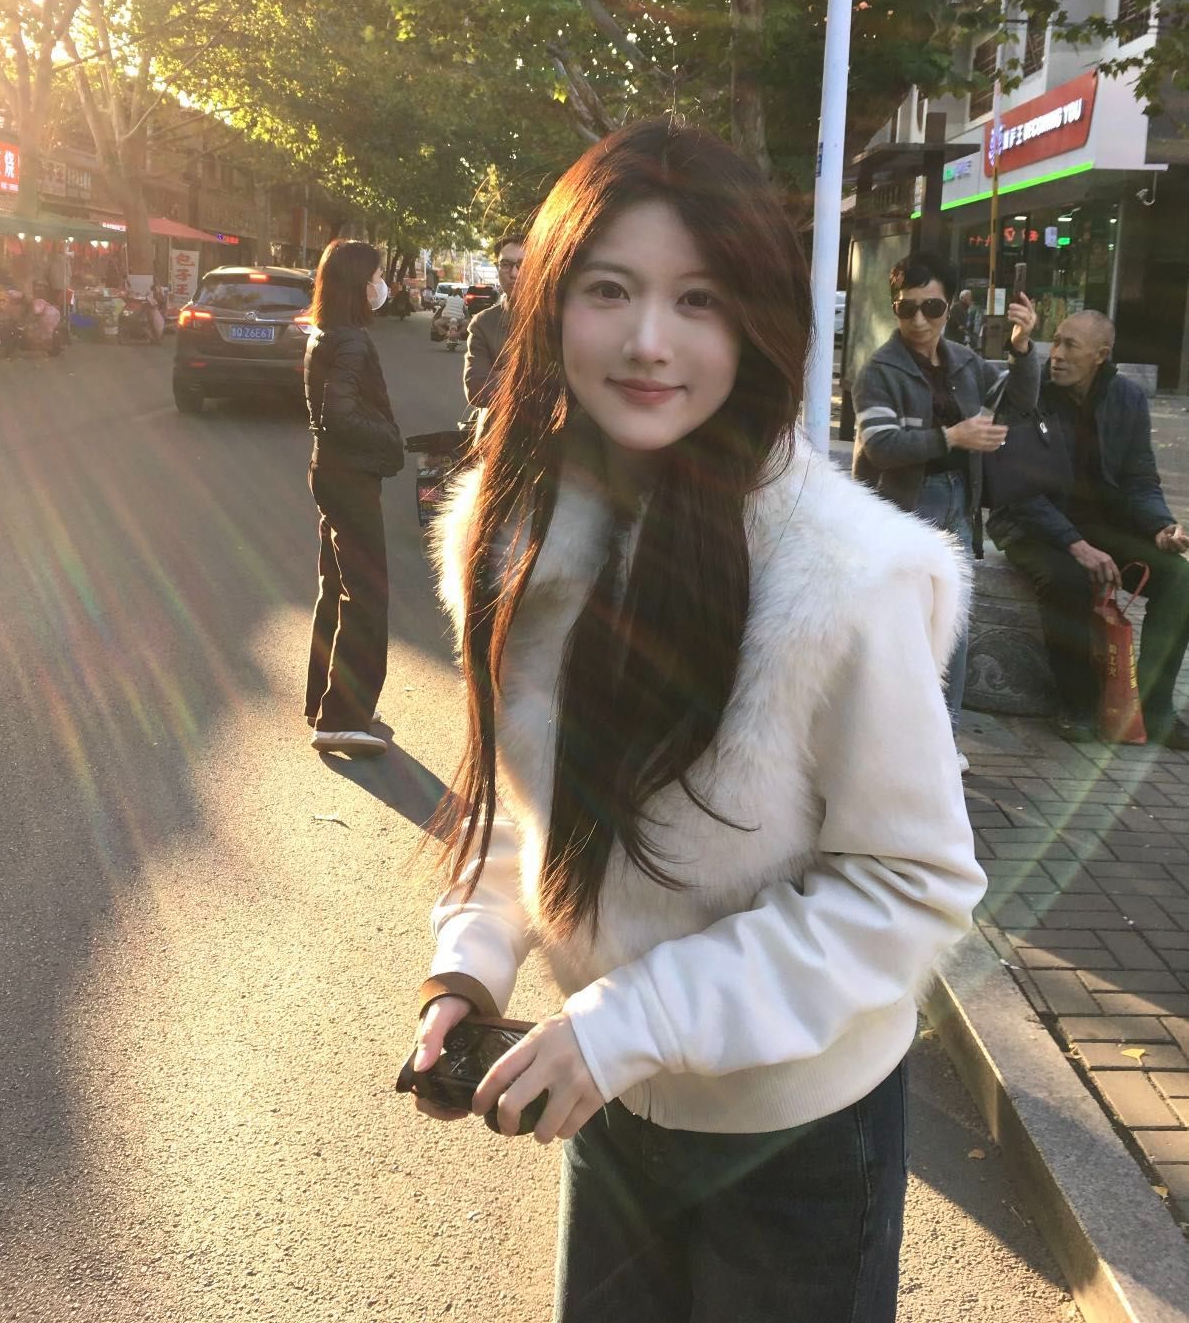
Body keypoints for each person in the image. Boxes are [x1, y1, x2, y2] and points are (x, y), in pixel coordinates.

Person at [408, 119, 985, 1323]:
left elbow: (913, 884)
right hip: (609, 1098)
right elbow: (525, 806)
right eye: (609, 289)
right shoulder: (507, 538)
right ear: (549, 303)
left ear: (755, 322)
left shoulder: (846, 577)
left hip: (796, 1137)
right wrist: (470, 960)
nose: (647, 341)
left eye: (698, 299)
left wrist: (635, 1023)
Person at [852, 250, 1040, 749]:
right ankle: (890, 739)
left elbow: (1019, 403)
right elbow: (881, 446)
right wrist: (953, 436)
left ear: (950, 306)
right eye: (906, 307)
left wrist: (1021, 347)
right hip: (902, 508)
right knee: (902, 626)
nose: (919, 320)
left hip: (958, 502)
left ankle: (943, 740)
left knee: (952, 627)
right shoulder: (880, 370)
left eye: (931, 307)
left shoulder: (964, 361)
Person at [988, 310, 1189, 748]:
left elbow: (1140, 479)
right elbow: (1019, 491)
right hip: (1031, 524)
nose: (1057, 354)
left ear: (1101, 355)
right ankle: (1078, 705)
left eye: (1070, 346)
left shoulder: (1128, 398)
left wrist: (1161, 526)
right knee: (1069, 578)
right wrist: (1074, 544)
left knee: (1180, 578)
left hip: (1101, 526)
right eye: (1056, 342)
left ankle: (1152, 708)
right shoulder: (1030, 391)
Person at [303, 240, 404, 758]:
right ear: (358, 285)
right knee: (365, 594)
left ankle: (326, 702)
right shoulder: (352, 342)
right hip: (349, 475)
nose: (381, 285)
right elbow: (337, 415)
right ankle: (341, 717)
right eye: (377, 276)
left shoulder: (327, 333)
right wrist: (389, 439)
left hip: (330, 471)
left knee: (337, 586)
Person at [463, 233, 526, 406]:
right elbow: (478, 391)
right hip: (501, 421)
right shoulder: (483, 324)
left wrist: (502, 376)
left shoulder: (560, 319)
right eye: (505, 265)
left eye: (522, 265)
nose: (514, 273)